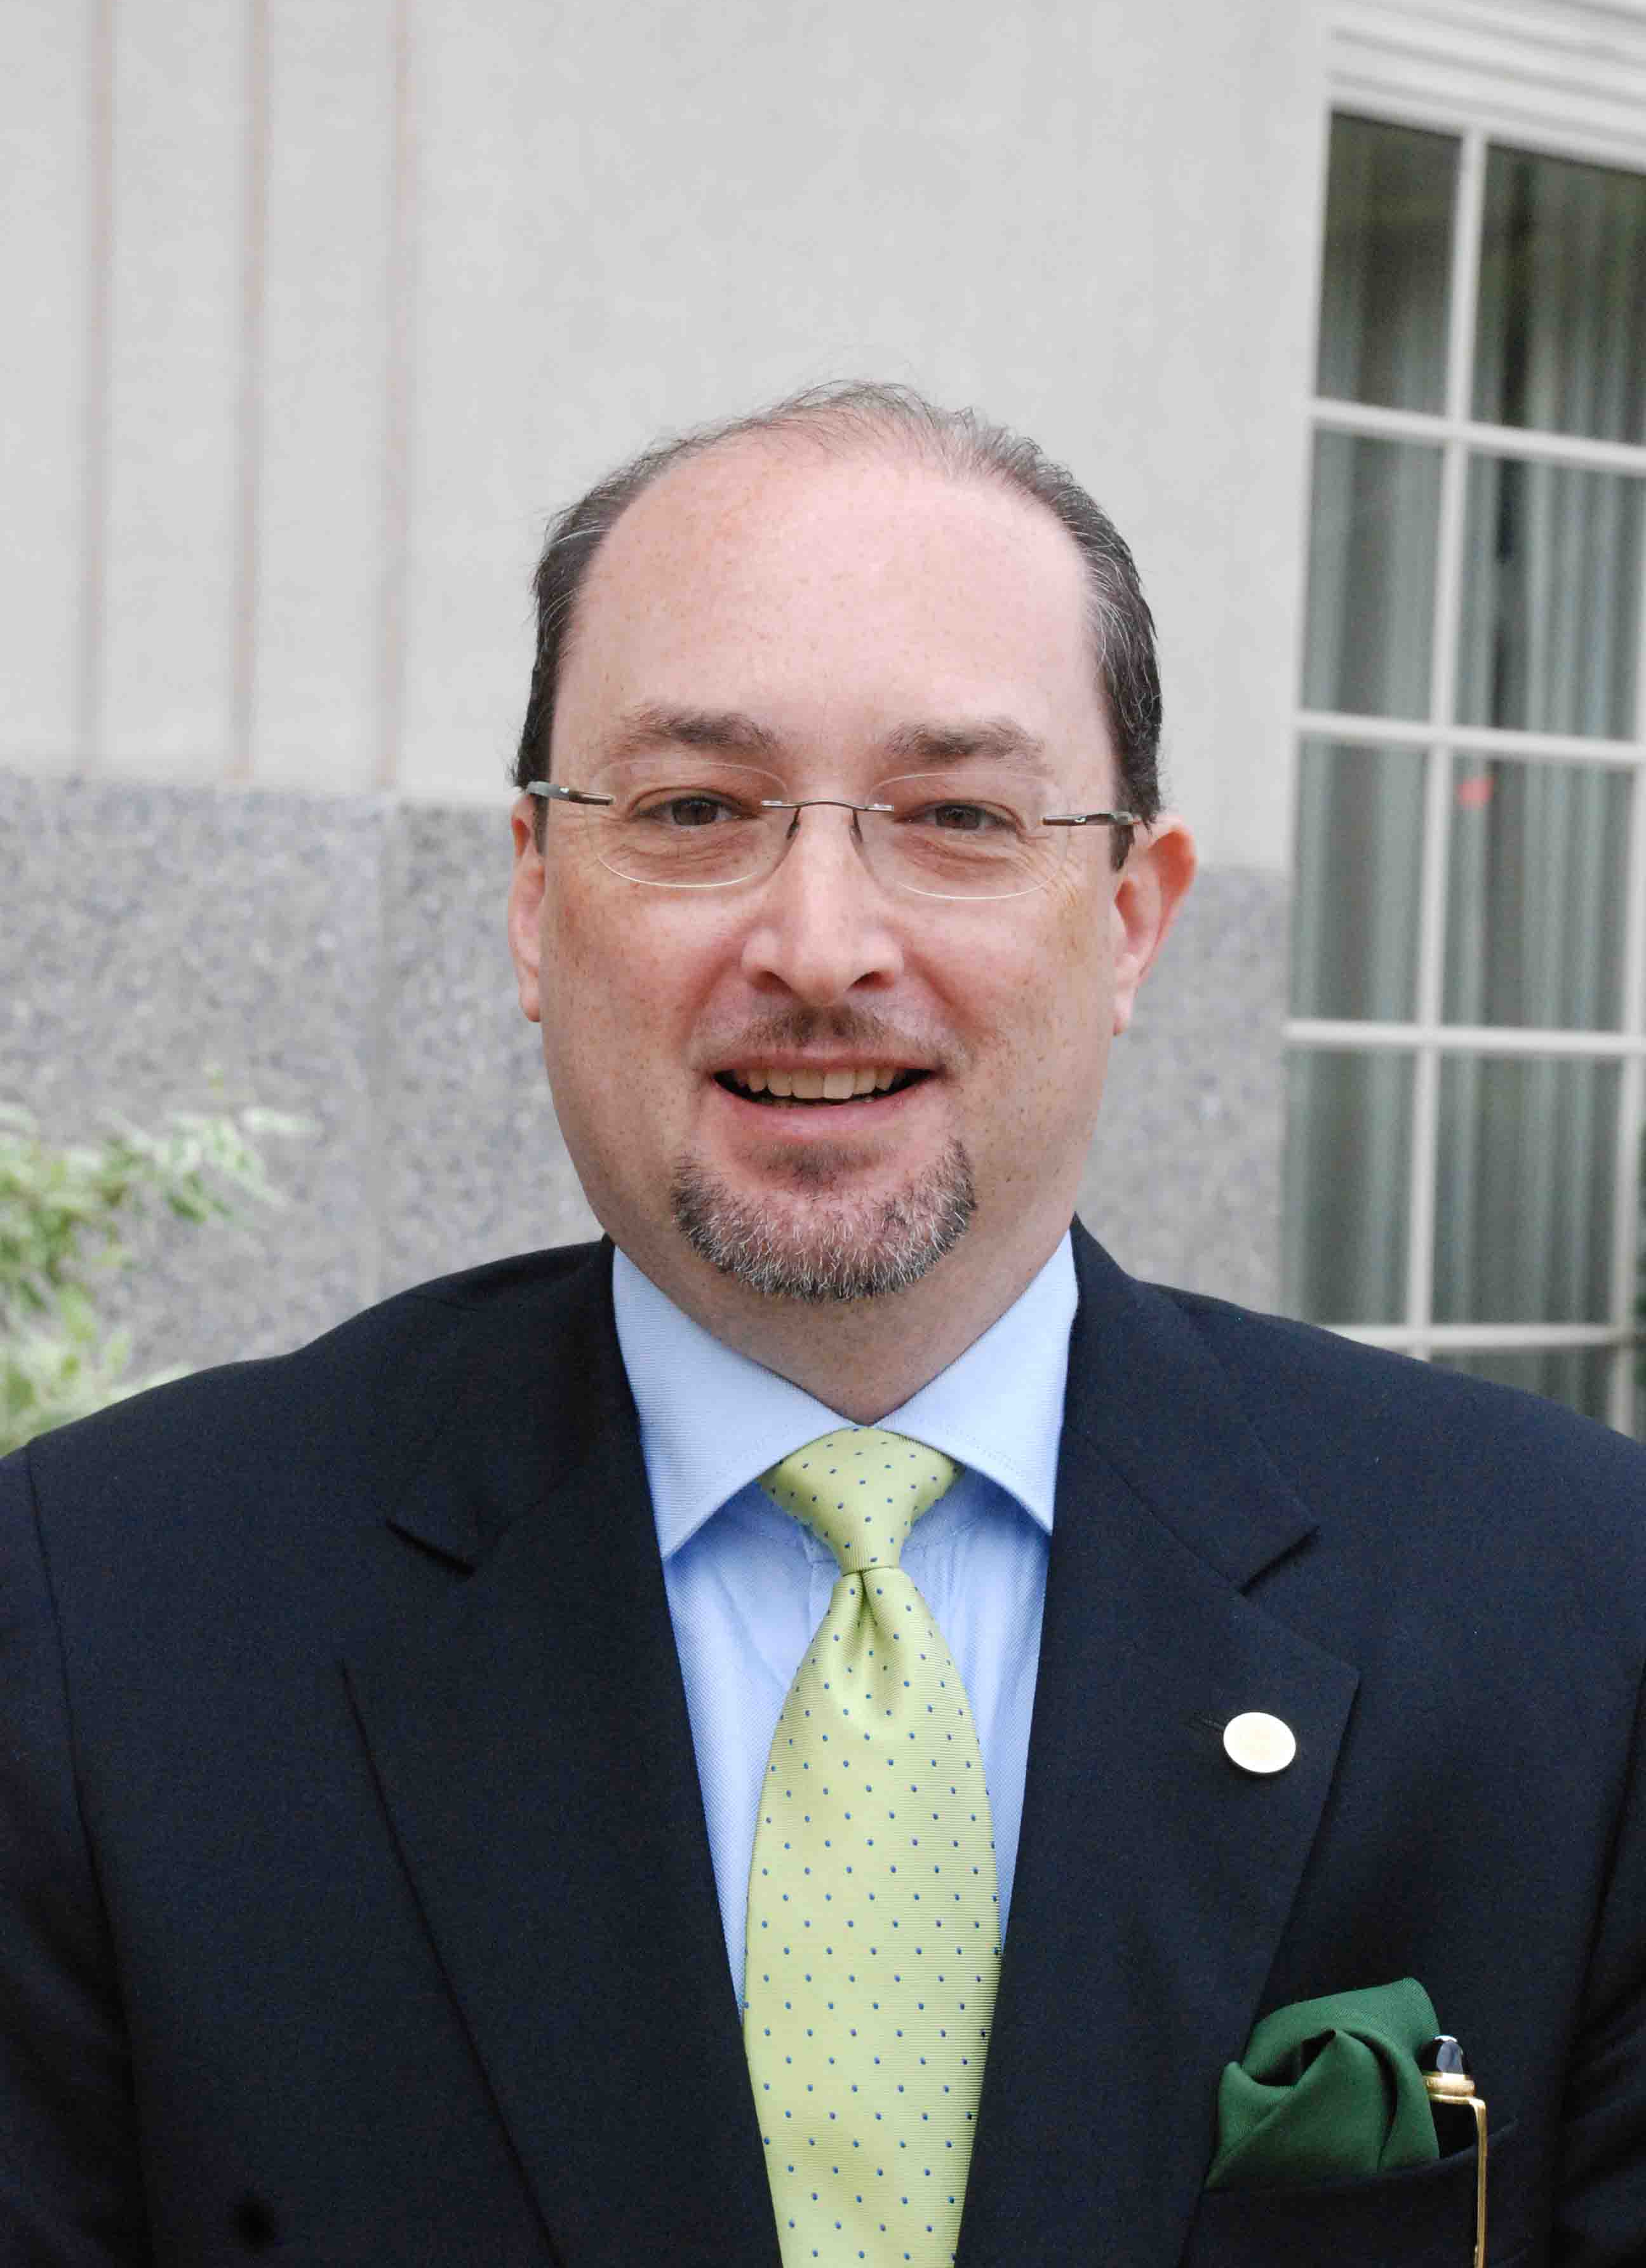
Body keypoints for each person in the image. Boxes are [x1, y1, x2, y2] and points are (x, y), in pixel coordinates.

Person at [3, 383, 1644, 2268]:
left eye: (956, 817)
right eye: (697, 810)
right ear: (535, 902)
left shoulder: (1581, 1617)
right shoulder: (101, 1624)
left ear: (1129, 917)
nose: (819, 944)